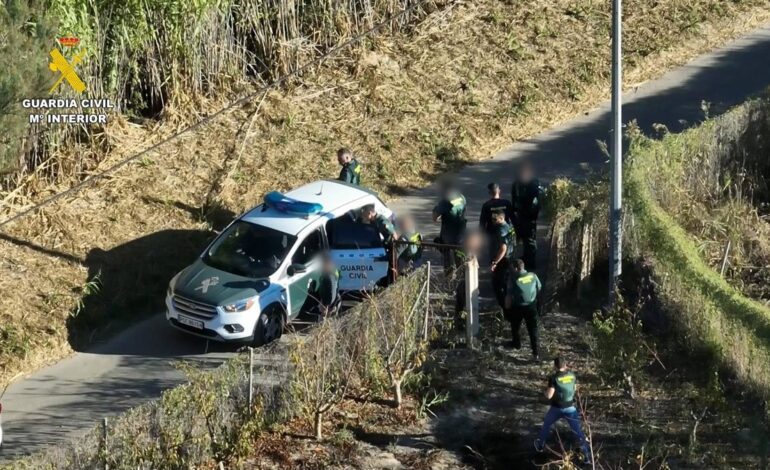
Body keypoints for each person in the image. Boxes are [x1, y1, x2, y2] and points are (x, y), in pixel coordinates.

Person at [535, 357, 591, 464]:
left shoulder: (554, 378)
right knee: (578, 432)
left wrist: (544, 393)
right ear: (565, 365)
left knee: (546, 425)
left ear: (555, 366)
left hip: (557, 408)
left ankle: (540, 445)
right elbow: (574, 389)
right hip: (570, 408)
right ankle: (587, 456)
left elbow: (549, 395)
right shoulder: (572, 375)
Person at [504, 258, 541, 357]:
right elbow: (539, 287)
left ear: (516, 268)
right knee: (533, 330)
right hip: (531, 307)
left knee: (515, 327)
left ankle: (516, 344)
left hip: (518, 307)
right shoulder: (533, 276)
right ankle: (535, 352)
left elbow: (508, 295)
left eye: (512, 268)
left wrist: (507, 308)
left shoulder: (513, 279)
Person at [510, 161, 543, 270]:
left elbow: (534, 198)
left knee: (530, 239)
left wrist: (528, 209)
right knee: (524, 237)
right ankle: (526, 256)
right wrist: (515, 209)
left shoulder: (533, 183)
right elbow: (514, 196)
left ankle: (531, 262)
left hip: (529, 215)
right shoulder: (517, 183)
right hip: (521, 213)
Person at [432, 180, 467, 273]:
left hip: (448, 234)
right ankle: (462, 278)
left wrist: (437, 210)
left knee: (447, 258)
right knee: (460, 256)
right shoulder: (461, 197)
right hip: (461, 233)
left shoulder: (445, 201)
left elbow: (434, 218)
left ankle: (449, 279)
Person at [360, 204, 398, 280]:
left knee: (389, 265)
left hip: (391, 246)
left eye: (364, 215)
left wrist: (393, 247)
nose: (363, 217)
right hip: (384, 244)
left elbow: (394, 234)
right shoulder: (374, 220)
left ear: (369, 213)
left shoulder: (382, 222)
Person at [489, 211, 515, 310]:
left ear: (501, 218)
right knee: (504, 282)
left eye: (495, 219)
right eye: (492, 219)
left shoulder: (501, 230)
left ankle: (504, 307)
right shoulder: (509, 226)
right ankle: (506, 305)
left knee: (498, 284)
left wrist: (495, 262)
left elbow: (503, 249)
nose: (493, 221)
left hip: (503, 260)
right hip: (510, 256)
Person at [316, 254, 340, 319]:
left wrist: (326, 305)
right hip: (333, 300)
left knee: (324, 321)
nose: (322, 266)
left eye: (323, 264)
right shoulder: (334, 271)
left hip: (328, 302)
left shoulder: (328, 276)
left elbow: (330, 290)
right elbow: (336, 287)